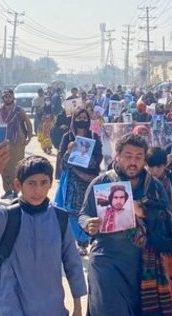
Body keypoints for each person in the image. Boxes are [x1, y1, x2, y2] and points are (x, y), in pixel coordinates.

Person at [0, 145, 87, 315]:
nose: (38, 190)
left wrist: (78, 305)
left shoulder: (59, 218)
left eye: (43, 183)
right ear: (18, 185)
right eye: (31, 183)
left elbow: (73, 263)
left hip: (51, 308)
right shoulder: (7, 217)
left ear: (50, 184)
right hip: (11, 308)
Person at [79, 134, 172, 316]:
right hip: (106, 261)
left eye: (139, 157)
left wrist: (145, 211)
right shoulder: (102, 183)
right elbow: (84, 214)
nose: (133, 162)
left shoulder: (154, 187)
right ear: (118, 156)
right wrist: (88, 224)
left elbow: (169, 218)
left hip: (143, 264)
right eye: (128, 156)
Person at [55, 108, 103, 255]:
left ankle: (85, 241)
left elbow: (98, 160)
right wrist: (70, 152)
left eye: (84, 117)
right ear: (74, 119)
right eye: (79, 117)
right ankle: (75, 242)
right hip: (72, 181)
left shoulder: (94, 137)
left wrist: (85, 163)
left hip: (89, 180)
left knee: (87, 209)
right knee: (71, 211)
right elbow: (63, 162)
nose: (81, 120)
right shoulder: (67, 137)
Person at [0, 89, 33, 200]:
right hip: (4, 141)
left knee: (16, 167)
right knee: (4, 167)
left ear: (13, 97)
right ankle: (7, 190)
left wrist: (29, 137)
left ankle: (15, 190)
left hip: (17, 142)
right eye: (5, 97)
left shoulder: (19, 111)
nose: (7, 99)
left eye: (9, 96)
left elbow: (28, 123)